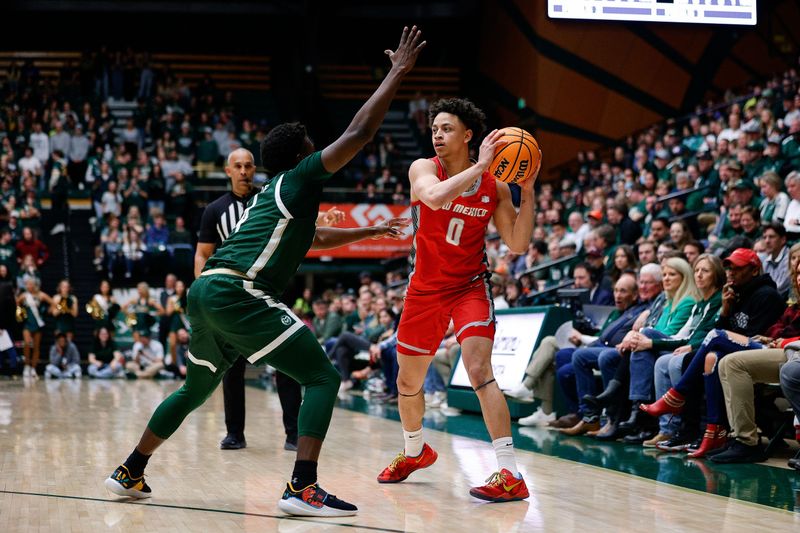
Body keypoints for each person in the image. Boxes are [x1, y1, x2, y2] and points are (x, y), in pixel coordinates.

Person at [105, 25, 425, 518]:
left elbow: (315, 238)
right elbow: (360, 133)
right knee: (322, 376)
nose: (321, 151)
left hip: (207, 290)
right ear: (301, 157)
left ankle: (131, 469)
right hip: (239, 293)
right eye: (314, 148)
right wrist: (397, 73)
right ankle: (303, 486)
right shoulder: (298, 179)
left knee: (194, 389)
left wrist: (369, 231)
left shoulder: (270, 198)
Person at [376, 96, 541, 503]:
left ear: (468, 135)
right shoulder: (423, 169)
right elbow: (432, 198)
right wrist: (481, 166)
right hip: (425, 289)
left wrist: (529, 190)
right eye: (434, 129)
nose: (437, 135)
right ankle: (415, 451)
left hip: (469, 285)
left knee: (479, 368)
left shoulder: (495, 186)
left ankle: (509, 472)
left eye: (447, 128)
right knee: (407, 382)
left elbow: (518, 244)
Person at [641, 248, 785, 457]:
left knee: (714, 337)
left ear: (754, 270)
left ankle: (677, 397)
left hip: (763, 352)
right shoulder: (734, 293)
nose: (731, 272)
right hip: (738, 352)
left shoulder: (767, 295)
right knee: (710, 357)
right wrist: (726, 311)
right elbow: (732, 333)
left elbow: (751, 335)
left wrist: (723, 329)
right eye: (728, 267)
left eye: (738, 268)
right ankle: (714, 430)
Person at [17, 278, 53, 378]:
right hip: (27, 323)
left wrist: (47, 312)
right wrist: (20, 313)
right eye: (27, 284)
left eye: (30, 284)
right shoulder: (24, 295)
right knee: (27, 343)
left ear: (34, 285)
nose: (28, 286)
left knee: (36, 346)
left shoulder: (41, 295)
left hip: (38, 323)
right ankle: (26, 366)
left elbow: (53, 303)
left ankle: (33, 368)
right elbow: (16, 304)